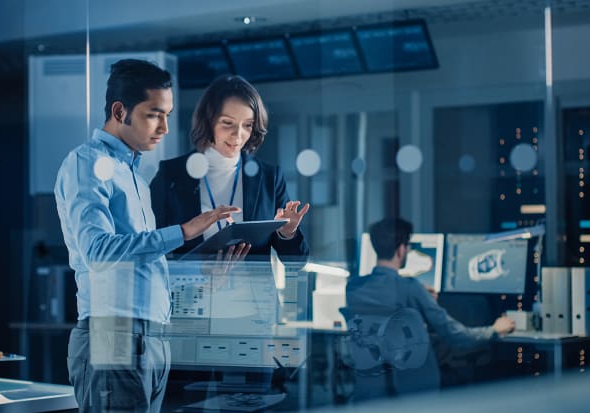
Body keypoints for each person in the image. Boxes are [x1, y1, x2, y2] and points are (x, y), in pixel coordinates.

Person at [54, 59, 240, 412]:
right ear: (120, 111)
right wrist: (184, 231)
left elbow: (139, 268)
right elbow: (98, 251)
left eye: (167, 115)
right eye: (155, 114)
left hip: (150, 335)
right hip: (113, 334)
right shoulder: (86, 163)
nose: (165, 127)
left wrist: (202, 279)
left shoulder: (135, 175)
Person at [344, 217, 515, 400]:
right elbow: (455, 335)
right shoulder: (410, 288)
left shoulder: (353, 288)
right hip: (415, 392)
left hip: (372, 390)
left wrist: (417, 296)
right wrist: (494, 330)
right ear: (401, 250)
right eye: (408, 245)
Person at [150, 74, 309, 263]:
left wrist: (287, 233)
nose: (238, 135)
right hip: (192, 290)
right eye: (228, 123)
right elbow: (150, 247)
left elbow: (297, 263)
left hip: (253, 291)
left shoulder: (269, 178)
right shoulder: (172, 175)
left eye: (248, 125)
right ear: (209, 121)